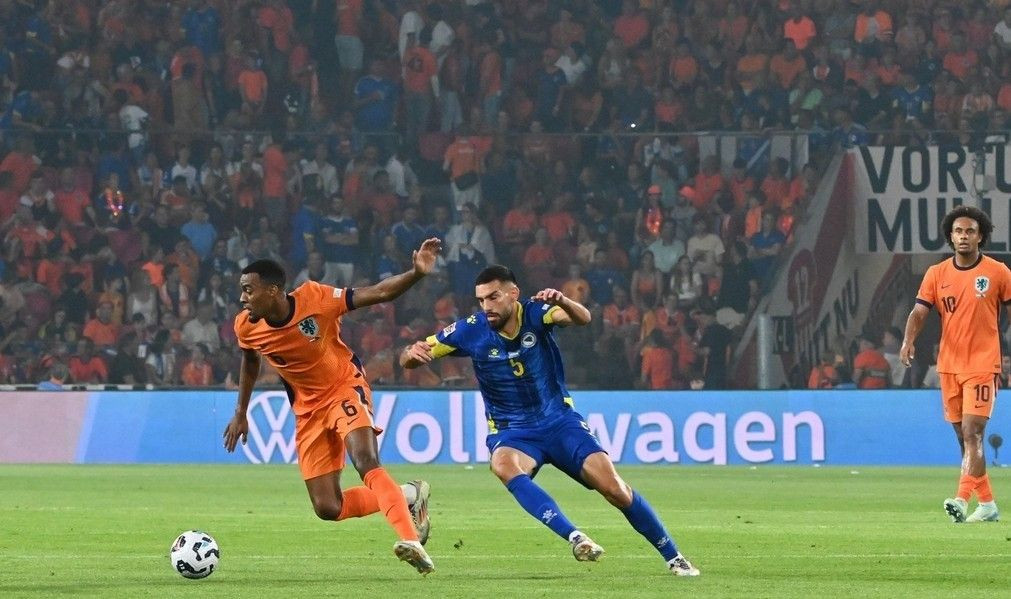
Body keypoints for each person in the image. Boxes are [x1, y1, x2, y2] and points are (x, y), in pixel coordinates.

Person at [399, 265, 699, 576]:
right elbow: (410, 357)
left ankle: (674, 557)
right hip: (513, 431)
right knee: (502, 465)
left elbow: (582, 318)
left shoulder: (535, 312)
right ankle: (576, 537)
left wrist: (564, 301)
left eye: (493, 297)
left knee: (615, 489)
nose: (487, 306)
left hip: (559, 422)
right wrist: (411, 353)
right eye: (481, 300)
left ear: (513, 294)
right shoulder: (469, 330)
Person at [223, 238, 443, 574]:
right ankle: (408, 495)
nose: (242, 298)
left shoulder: (316, 298)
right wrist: (241, 411)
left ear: (273, 291)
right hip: (308, 410)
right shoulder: (246, 325)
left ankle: (410, 539)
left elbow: (379, 293)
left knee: (366, 460)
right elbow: (250, 360)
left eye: (248, 290)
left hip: (343, 388)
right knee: (328, 506)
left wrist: (415, 273)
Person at [900, 206, 1008, 523]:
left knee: (974, 432)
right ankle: (987, 504)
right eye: (958, 231)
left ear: (980, 236)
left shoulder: (998, 272)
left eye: (970, 231)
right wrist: (908, 340)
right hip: (949, 366)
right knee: (964, 438)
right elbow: (919, 312)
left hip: (983, 364)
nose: (964, 236)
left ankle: (961, 500)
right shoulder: (936, 274)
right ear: (950, 236)